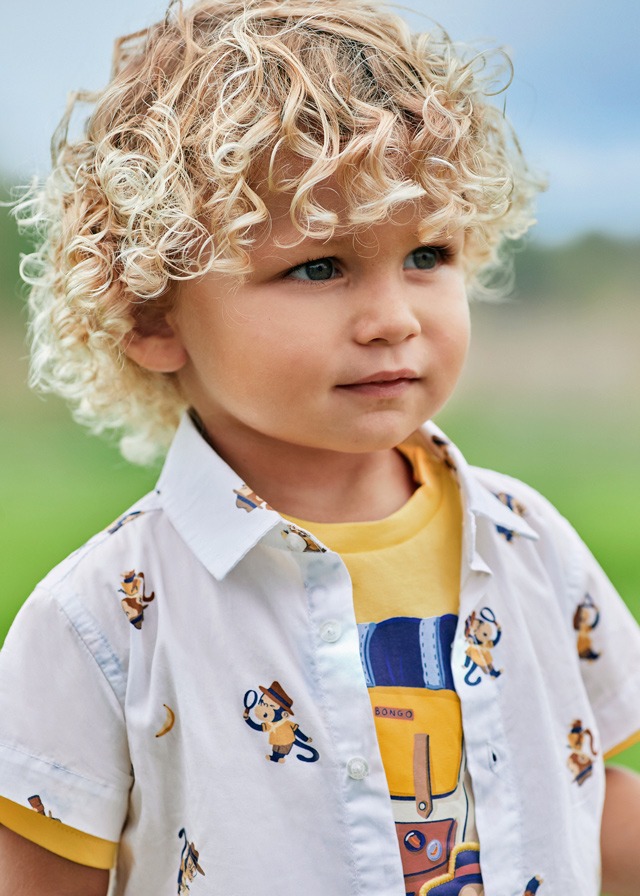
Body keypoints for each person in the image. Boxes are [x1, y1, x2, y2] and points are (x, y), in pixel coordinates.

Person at [1, 1, 639, 894]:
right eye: (318, 267)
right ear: (151, 314)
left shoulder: (529, 541)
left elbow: (591, 798)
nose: (393, 319)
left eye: (428, 254)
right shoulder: (100, 620)